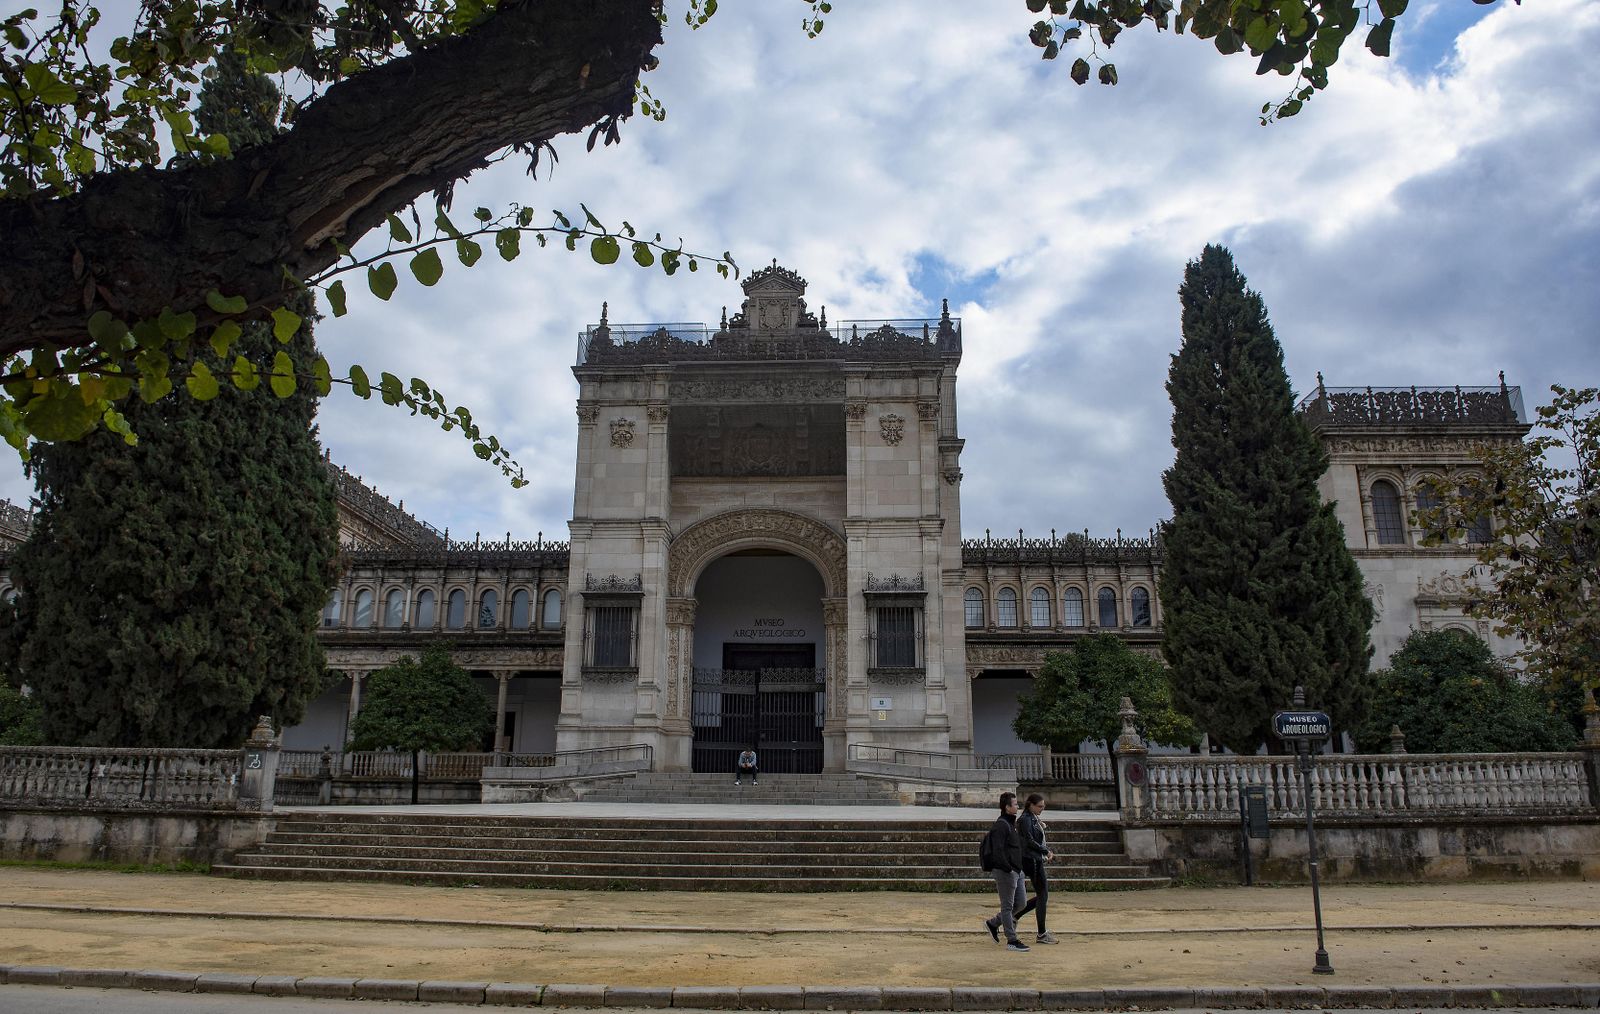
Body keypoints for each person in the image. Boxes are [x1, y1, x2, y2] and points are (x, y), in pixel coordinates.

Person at [979, 791, 1030, 952]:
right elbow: (998, 850)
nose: (1018, 806)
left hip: (1016, 870)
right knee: (1007, 906)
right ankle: (1012, 939)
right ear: (1007, 807)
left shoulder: (1010, 823)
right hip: (1006, 871)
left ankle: (993, 923)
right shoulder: (1001, 825)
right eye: (1015, 804)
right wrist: (1007, 868)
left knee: (1021, 903)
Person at [1013, 793, 1058, 944]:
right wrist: (1046, 851)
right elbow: (1029, 841)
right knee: (1042, 894)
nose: (1042, 809)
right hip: (1031, 859)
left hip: (1033, 858)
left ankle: (1015, 917)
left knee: (1042, 895)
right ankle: (1041, 933)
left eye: (1043, 806)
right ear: (1030, 805)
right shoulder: (1026, 819)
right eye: (1039, 806)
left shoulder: (1031, 818)